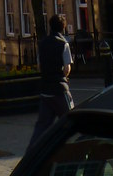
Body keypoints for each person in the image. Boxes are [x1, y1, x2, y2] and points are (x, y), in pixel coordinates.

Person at [28, 14, 74, 148]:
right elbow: (67, 68)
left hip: (45, 90)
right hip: (60, 89)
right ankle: (75, 148)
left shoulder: (42, 43)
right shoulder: (63, 43)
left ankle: (32, 151)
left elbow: (39, 66)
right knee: (71, 121)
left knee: (41, 125)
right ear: (63, 27)